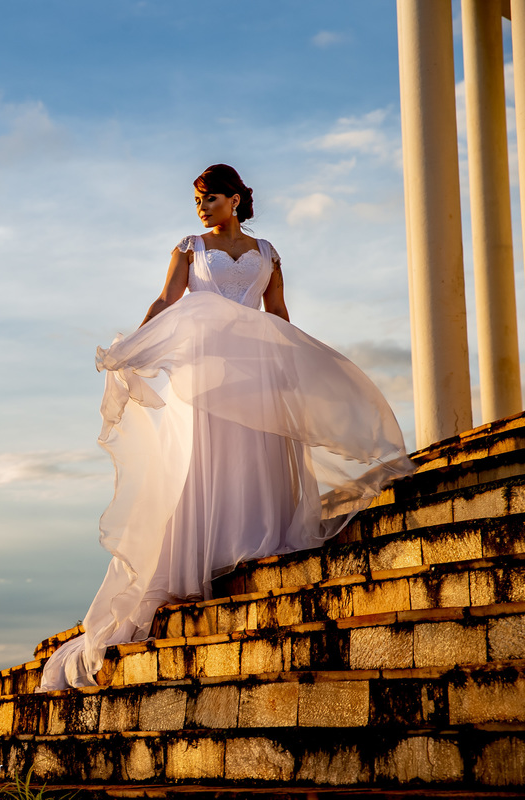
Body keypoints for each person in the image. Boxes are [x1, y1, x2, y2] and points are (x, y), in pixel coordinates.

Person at [38, 164, 415, 691]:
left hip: (259, 372)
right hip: (208, 372)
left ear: (235, 200)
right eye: (197, 200)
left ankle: (256, 540)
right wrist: (134, 343)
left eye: (210, 198)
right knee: (210, 458)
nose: (201, 207)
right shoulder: (190, 247)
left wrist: (296, 367)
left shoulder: (268, 254)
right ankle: (209, 553)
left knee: (259, 454)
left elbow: (278, 311)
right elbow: (167, 301)